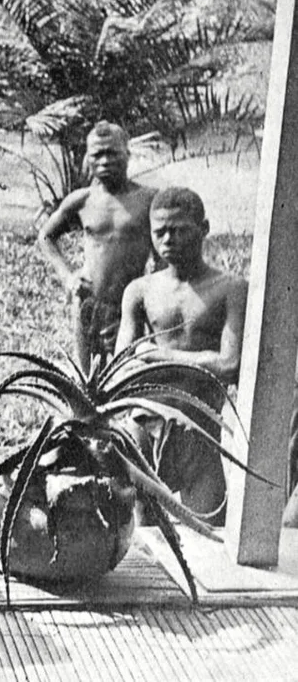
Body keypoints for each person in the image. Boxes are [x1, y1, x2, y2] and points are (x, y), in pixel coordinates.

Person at [115, 187, 247, 522]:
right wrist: (196, 359)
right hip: (145, 425)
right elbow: (122, 364)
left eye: (179, 229)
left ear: (203, 228)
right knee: (144, 537)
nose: (168, 239)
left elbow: (230, 365)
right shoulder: (140, 290)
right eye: (159, 232)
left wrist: (158, 357)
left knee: (211, 531)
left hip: (199, 430)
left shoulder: (230, 289)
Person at [37, 121, 158, 368]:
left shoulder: (149, 200)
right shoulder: (82, 200)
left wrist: (155, 290)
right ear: (88, 159)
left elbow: (163, 257)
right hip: (88, 303)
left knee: (128, 374)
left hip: (130, 305)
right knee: (88, 381)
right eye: (97, 154)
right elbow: (46, 237)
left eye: (112, 152)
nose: (104, 161)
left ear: (127, 153)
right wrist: (68, 276)